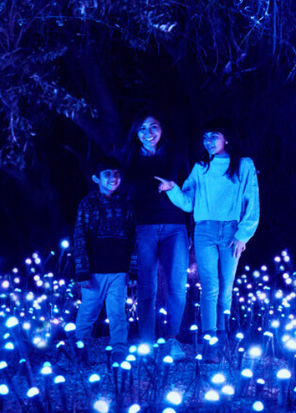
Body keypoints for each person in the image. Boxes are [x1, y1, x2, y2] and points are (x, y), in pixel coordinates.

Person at [156, 116, 260, 362]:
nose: (208, 141)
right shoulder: (201, 168)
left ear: (227, 138)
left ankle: (222, 342)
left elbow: (252, 200)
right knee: (210, 288)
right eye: (205, 137)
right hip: (204, 231)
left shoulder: (244, 165)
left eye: (214, 136)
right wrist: (173, 189)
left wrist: (243, 234)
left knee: (226, 289)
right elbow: (188, 203)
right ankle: (210, 346)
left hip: (231, 231)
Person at [123, 109, 190, 362]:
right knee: (146, 286)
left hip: (175, 226)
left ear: (162, 129)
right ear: (135, 133)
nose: (148, 133)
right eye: (142, 128)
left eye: (153, 126)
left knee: (177, 285)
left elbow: (188, 193)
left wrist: (190, 229)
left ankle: (171, 339)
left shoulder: (176, 155)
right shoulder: (129, 158)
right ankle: (147, 343)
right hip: (144, 227)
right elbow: (125, 196)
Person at [72, 156, 134, 362]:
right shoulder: (88, 204)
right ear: (96, 178)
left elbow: (133, 237)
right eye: (107, 174)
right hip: (95, 272)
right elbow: (80, 237)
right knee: (88, 313)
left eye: (116, 174)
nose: (113, 178)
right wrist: (82, 272)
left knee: (118, 314)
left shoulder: (125, 204)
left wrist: (132, 270)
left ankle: (119, 352)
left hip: (119, 271)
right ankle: (79, 353)